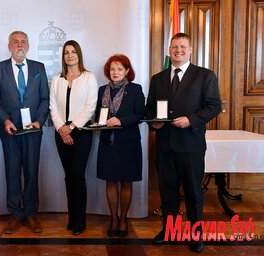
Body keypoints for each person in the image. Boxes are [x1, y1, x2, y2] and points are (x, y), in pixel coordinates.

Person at [145, 33, 221, 252]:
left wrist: (191, 120)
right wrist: (154, 124)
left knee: (193, 192)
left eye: (182, 46)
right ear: (169, 50)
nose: (178, 50)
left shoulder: (205, 76)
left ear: (190, 50)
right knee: (167, 191)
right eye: (174, 46)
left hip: (191, 145)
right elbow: (150, 108)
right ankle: (169, 230)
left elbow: (214, 106)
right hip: (165, 145)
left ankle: (196, 234)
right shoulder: (158, 78)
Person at [0, 31, 49, 234]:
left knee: (32, 172)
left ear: (29, 46)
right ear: (9, 46)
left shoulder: (39, 68)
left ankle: (31, 214)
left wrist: (39, 121)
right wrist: (5, 120)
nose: (20, 45)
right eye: (16, 42)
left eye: (23, 42)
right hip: (10, 131)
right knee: (12, 173)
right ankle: (15, 215)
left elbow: (44, 99)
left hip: (33, 131)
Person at [49, 40, 98, 235]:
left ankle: (81, 221)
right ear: (63, 57)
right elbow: (53, 106)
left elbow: (90, 107)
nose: (70, 55)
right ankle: (72, 218)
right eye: (66, 52)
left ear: (79, 55)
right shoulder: (57, 79)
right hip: (61, 132)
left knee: (78, 176)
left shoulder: (89, 77)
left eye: (73, 52)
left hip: (81, 132)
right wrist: (62, 128)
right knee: (69, 177)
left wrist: (71, 127)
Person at [95, 54, 145, 237]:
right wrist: (96, 123)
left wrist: (120, 121)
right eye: (112, 69)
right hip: (107, 143)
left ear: (127, 71)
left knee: (126, 181)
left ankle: (123, 218)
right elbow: (97, 114)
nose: (115, 72)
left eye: (119, 69)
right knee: (110, 181)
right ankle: (113, 218)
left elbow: (141, 115)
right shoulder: (102, 90)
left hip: (128, 143)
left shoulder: (135, 89)